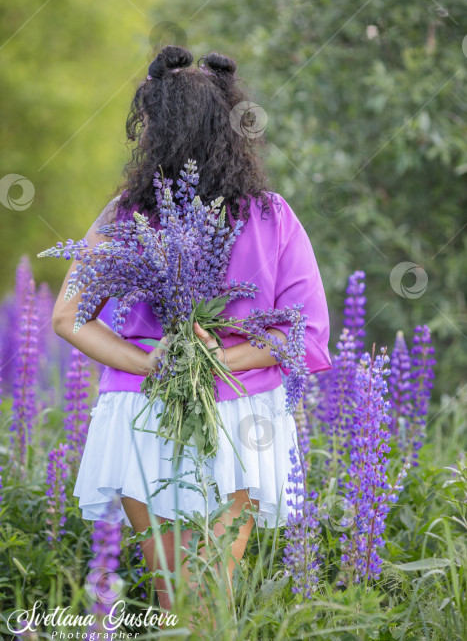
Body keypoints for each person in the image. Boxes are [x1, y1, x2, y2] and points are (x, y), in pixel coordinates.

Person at [52, 45, 333, 615]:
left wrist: (151, 363)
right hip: (243, 422)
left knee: (176, 596)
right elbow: (306, 335)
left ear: (156, 131)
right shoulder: (273, 215)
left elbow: (65, 317)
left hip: (139, 416)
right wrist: (216, 360)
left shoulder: (127, 214)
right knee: (210, 594)